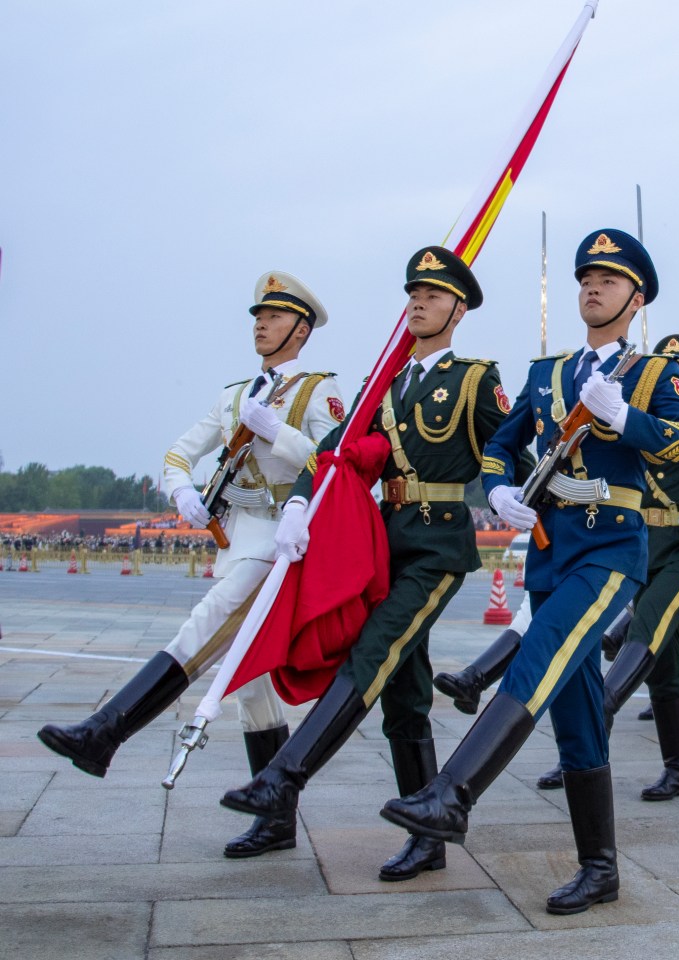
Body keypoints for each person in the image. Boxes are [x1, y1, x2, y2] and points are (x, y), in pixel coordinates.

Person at [379, 229, 679, 915]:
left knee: (539, 651)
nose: (594, 288)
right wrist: (498, 486)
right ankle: (600, 868)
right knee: (576, 707)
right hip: (550, 548)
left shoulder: (650, 376)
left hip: (611, 550)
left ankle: (454, 791)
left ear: (636, 297)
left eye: (610, 280)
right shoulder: (547, 373)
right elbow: (502, 443)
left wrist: (630, 421)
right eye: (587, 277)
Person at [218, 247, 511, 883]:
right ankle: (425, 835)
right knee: (404, 694)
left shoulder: (474, 379)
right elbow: (333, 450)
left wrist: (510, 489)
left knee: (373, 653)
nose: (417, 303)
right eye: (413, 293)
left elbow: (510, 444)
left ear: (457, 310)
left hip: (437, 546)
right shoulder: (388, 381)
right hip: (389, 540)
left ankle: (284, 776)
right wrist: (298, 503)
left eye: (432, 295)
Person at [38, 271, 345, 860]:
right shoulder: (233, 395)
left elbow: (334, 462)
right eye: (259, 315)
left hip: (281, 538)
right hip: (234, 535)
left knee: (205, 624)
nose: (261, 323)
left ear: (301, 330)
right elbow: (179, 452)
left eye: (275, 317)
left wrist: (278, 433)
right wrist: (181, 491)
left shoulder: (318, 392)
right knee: (250, 684)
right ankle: (276, 820)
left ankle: (107, 730)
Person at [531, 333, 679, 797]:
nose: (675, 374)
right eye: (668, 366)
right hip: (643, 543)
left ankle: (593, 722)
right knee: (661, 665)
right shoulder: (635, 425)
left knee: (646, 628)